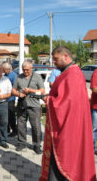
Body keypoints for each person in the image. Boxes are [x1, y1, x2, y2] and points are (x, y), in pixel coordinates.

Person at [40, 46, 96, 181]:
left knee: (63, 159)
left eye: (56, 59)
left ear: (66, 56)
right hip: (66, 124)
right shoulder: (68, 73)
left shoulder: (73, 75)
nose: (54, 62)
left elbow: (66, 104)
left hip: (68, 128)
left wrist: (48, 99)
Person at [12, 61, 45, 154]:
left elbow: (42, 91)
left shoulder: (37, 77)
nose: (25, 71)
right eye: (24, 70)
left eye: (27, 70)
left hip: (34, 106)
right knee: (21, 125)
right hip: (22, 105)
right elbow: (13, 90)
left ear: (32, 68)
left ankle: (37, 145)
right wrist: (18, 94)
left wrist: (30, 90)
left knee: (36, 126)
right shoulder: (19, 77)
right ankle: (21, 143)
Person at [0, 64, 12, 148]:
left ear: (3, 70)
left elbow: (10, 93)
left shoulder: (6, 80)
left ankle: (3, 140)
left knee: (4, 122)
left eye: (0, 69)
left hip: (3, 104)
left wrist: (4, 96)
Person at [2, 62, 18, 137]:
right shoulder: (5, 75)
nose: (3, 71)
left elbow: (14, 87)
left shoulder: (13, 75)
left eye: (4, 69)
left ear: (8, 69)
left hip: (10, 98)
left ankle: (14, 130)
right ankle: (7, 128)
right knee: (5, 115)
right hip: (4, 98)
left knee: (11, 115)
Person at [91, 69, 97, 155]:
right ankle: (91, 148)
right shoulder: (96, 73)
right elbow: (94, 89)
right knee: (95, 129)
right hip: (96, 107)